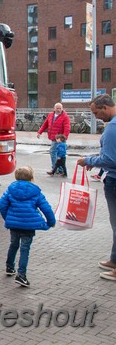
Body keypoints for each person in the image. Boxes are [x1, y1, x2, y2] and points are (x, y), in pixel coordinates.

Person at [77, 94, 116, 281]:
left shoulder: (113, 128)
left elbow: (110, 159)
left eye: (95, 112)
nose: (95, 117)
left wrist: (88, 160)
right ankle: (114, 260)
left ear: (105, 107)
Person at [0, 166, 56, 287]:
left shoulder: (10, 190)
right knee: (25, 249)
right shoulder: (36, 192)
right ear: (31, 178)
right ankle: (21, 275)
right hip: (28, 227)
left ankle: (9, 267)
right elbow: (46, 208)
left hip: (14, 225)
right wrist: (51, 222)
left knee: (13, 245)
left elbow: (2, 205)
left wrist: (7, 218)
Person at [37, 102, 71, 175]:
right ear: (54, 108)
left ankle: (55, 168)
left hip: (59, 139)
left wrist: (63, 138)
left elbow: (67, 128)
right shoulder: (50, 115)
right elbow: (45, 124)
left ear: (62, 109)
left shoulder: (65, 117)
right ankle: (59, 169)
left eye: (60, 108)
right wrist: (39, 132)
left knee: (53, 152)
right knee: (58, 154)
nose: (58, 110)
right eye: (57, 108)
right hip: (53, 137)